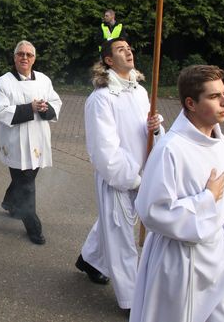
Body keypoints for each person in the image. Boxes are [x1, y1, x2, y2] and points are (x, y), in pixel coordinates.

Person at [130, 65, 224, 322]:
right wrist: (206, 199)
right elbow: (153, 212)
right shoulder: (171, 149)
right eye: (214, 97)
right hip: (180, 260)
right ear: (191, 103)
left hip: (216, 253)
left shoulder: (218, 141)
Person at [75, 38, 161, 308]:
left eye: (130, 48)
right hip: (118, 177)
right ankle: (132, 300)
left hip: (141, 171)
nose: (129, 51)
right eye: (121, 49)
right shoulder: (101, 99)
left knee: (111, 225)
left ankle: (88, 259)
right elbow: (104, 149)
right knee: (121, 236)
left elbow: (145, 132)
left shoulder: (140, 92)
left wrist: (156, 128)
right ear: (109, 61)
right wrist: (131, 178)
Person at [0, 40, 62, 245]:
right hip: (15, 141)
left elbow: (56, 101)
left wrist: (44, 108)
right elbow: (0, 111)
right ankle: (33, 226)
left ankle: (9, 202)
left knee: (26, 178)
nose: (24, 58)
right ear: (14, 57)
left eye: (29, 55)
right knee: (27, 185)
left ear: (34, 58)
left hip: (38, 138)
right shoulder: (2, 83)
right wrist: (29, 108)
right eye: (20, 54)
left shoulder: (43, 80)